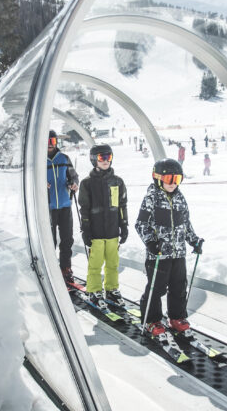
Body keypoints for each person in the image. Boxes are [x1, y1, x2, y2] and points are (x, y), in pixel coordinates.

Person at [135, 158, 203, 336]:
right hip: (158, 255)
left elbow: (186, 224)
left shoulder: (180, 198)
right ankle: (151, 320)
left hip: (178, 253)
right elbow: (141, 224)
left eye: (177, 180)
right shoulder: (151, 198)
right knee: (156, 288)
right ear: (158, 178)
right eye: (169, 180)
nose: (173, 184)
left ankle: (176, 317)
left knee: (179, 286)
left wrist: (194, 241)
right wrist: (150, 242)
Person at [78, 144, 127, 304]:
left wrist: (124, 225)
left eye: (109, 157)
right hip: (96, 232)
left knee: (113, 263)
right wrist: (86, 230)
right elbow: (84, 209)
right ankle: (94, 290)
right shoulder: (87, 183)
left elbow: (121, 205)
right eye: (102, 157)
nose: (106, 161)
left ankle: (111, 289)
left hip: (113, 231)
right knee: (95, 264)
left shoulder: (117, 181)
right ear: (94, 159)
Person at [46, 130, 79, 283]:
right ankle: (50, 268)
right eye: (46, 142)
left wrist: (73, 183)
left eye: (52, 141)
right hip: (47, 207)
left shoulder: (64, 158)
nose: (49, 145)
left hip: (65, 205)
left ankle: (65, 268)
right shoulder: (39, 161)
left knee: (67, 239)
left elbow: (73, 175)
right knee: (49, 241)